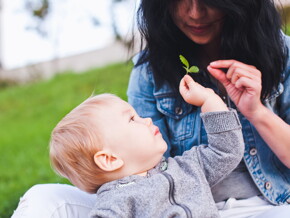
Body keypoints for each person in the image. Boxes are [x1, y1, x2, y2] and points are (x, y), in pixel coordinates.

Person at [12, 0, 290, 217]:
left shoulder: (190, 168)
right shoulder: (149, 70)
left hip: (266, 206)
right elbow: (138, 157)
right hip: (148, 197)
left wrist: (253, 110)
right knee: (44, 199)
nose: (194, 12)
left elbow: (226, 150)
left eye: (209, 0)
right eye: (178, 0)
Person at [52, 75, 245, 217]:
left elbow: (226, 151)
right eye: (132, 119)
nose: (147, 119)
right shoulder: (116, 205)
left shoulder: (189, 167)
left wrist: (209, 100)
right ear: (110, 159)